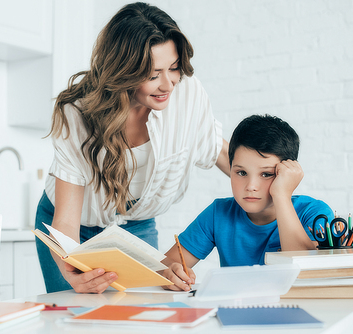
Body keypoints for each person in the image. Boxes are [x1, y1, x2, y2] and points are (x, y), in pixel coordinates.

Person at [35, 2, 230, 294]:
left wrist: (275, 189)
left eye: (174, 68)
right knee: (75, 315)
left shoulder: (188, 94)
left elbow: (223, 154)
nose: (168, 84)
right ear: (124, 71)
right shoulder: (77, 112)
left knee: (141, 311)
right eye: (153, 75)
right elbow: (66, 219)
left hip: (136, 227)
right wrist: (70, 267)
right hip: (72, 229)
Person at [160, 114, 334, 291]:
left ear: (287, 174)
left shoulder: (314, 212)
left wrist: (281, 195)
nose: (251, 186)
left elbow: (304, 272)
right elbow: (163, 265)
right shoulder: (218, 214)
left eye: (266, 174)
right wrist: (169, 271)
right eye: (241, 173)